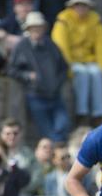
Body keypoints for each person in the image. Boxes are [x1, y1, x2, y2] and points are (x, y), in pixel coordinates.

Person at [7, 12, 69, 143]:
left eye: (39, 27)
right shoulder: (21, 46)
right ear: (28, 29)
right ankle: (56, 156)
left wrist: (57, 82)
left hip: (55, 95)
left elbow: (64, 67)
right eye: (33, 27)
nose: (36, 30)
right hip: (35, 96)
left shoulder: (51, 45)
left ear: (43, 28)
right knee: (47, 131)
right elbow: (11, 70)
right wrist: (27, 76)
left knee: (63, 126)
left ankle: (57, 154)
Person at [52, 0, 102, 127]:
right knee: (81, 73)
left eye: (84, 5)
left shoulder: (95, 19)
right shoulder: (63, 20)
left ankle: (98, 114)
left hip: (89, 60)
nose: (81, 7)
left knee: (96, 73)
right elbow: (61, 48)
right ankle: (81, 113)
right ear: (72, 6)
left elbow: (101, 46)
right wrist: (68, 68)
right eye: (77, 4)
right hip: (71, 61)